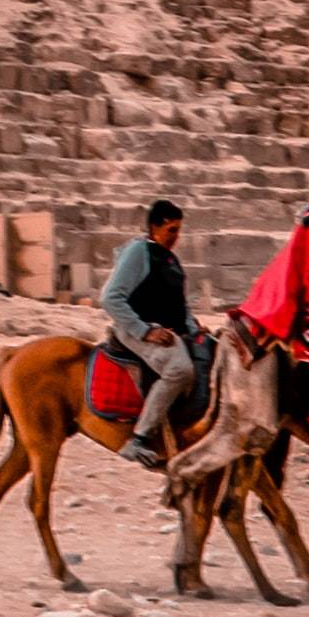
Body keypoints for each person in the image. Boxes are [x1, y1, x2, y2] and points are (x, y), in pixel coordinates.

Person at [101, 196, 205, 464]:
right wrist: (144, 331)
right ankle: (139, 439)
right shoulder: (140, 252)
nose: (176, 237)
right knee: (180, 370)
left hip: (170, 330)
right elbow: (111, 297)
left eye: (178, 230)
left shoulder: (170, 260)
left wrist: (194, 329)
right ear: (154, 228)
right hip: (138, 329)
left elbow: (180, 306)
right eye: (171, 230)